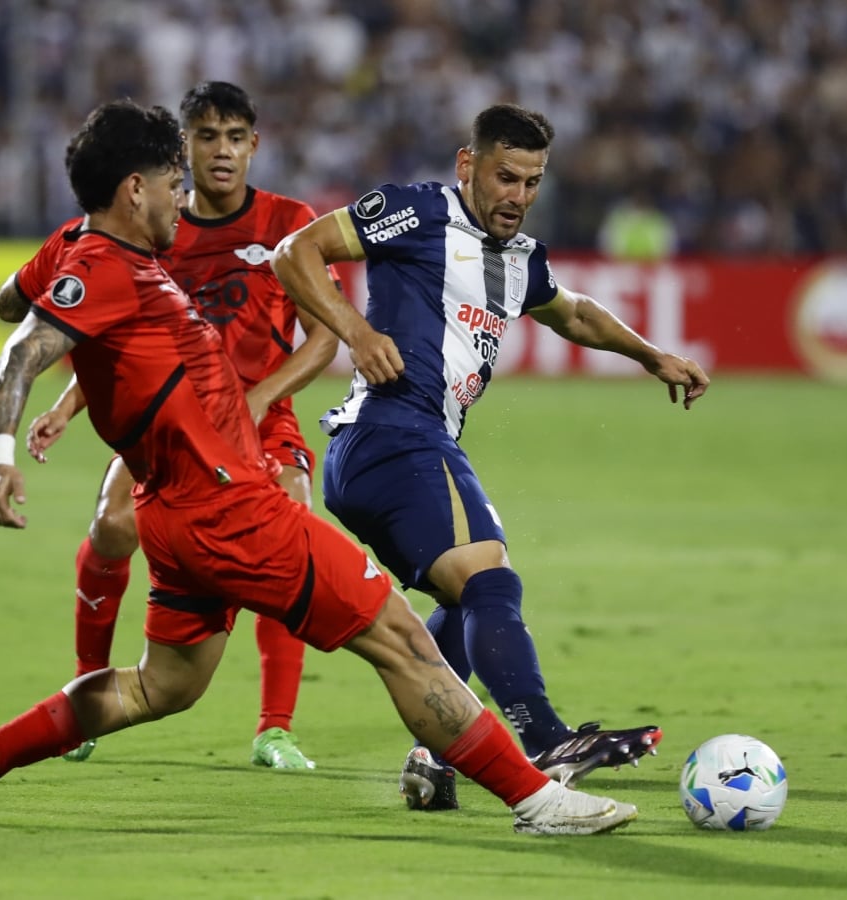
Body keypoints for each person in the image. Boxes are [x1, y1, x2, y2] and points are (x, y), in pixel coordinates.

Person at [0, 99, 639, 836]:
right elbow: (22, 349)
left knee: (160, 687)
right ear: (134, 190)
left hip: (173, 517)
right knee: (404, 641)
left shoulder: (79, 248)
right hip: (231, 509)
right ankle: (538, 800)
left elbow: (13, 301)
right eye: (170, 183)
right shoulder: (106, 266)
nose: (182, 200)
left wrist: (56, 259)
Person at [271, 103, 710, 810]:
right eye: (506, 177)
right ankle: (541, 737)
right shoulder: (415, 212)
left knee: (467, 597)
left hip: (398, 448)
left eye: (534, 182)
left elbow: (574, 312)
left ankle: (435, 752)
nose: (519, 197)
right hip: (391, 431)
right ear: (467, 165)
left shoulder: (520, 260)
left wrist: (651, 355)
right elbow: (297, 251)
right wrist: (353, 330)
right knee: (491, 582)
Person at [0, 82, 338, 770]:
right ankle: (88, 683)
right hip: (177, 423)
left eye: (235, 137)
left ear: (254, 147)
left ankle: (275, 728)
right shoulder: (156, 228)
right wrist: (68, 405)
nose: (221, 151)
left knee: (294, 528)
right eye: (206, 137)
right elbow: (120, 338)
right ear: (182, 149)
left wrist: (260, 398)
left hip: (263, 416)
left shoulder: (287, 223)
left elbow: (326, 337)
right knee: (110, 524)